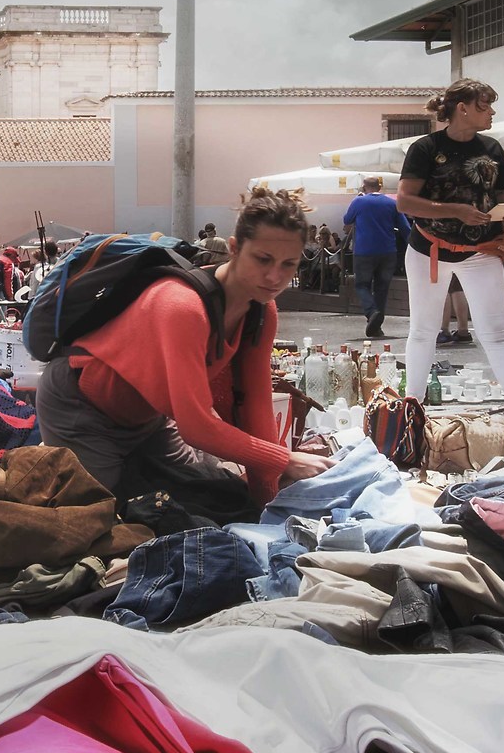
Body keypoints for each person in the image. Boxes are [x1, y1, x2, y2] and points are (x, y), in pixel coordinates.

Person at [36, 187, 330, 514]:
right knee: (100, 519)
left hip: (148, 417)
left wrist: (266, 509)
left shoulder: (261, 310)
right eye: (262, 259)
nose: (275, 276)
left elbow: (256, 405)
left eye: (288, 265)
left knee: (203, 499)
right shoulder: (183, 306)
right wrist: (284, 459)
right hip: (80, 406)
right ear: (234, 249)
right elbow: (197, 426)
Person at [397, 78, 504, 409]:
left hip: (481, 250)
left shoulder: (492, 148)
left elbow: (499, 194)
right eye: (486, 105)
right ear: (463, 109)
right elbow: (404, 202)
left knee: (496, 333)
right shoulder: (425, 148)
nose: (493, 112)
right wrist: (456, 211)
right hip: (428, 249)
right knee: (423, 331)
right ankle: (412, 407)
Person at [343, 176, 404, 338]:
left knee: (362, 285)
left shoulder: (359, 202)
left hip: (364, 251)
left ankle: (372, 313)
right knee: (381, 289)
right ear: (379, 187)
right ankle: (377, 327)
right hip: (388, 251)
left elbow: (347, 219)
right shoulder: (392, 203)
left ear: (364, 187)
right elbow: (405, 228)